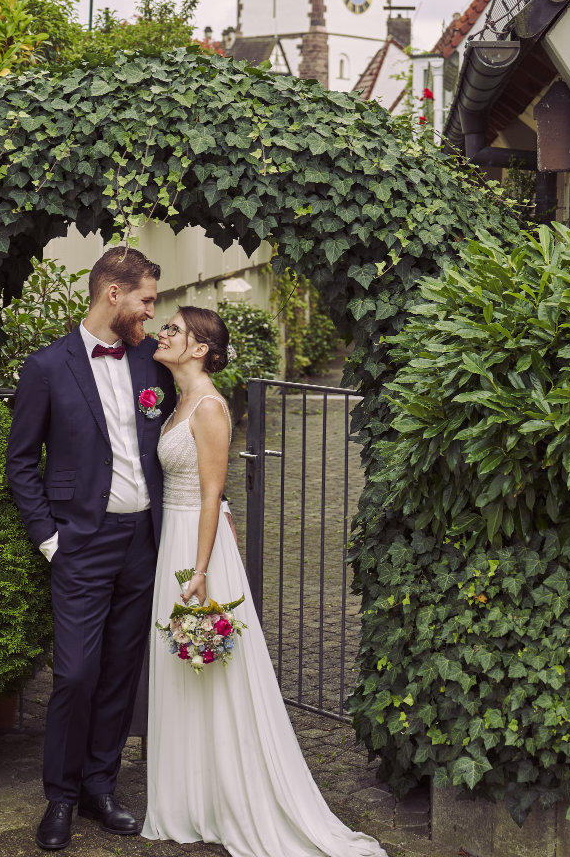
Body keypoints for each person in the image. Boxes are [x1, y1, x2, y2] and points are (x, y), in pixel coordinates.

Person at [141, 305, 386, 857]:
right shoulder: (177, 399)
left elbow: (212, 494)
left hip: (198, 548)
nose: (163, 333)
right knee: (181, 673)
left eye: (174, 329)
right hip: (175, 538)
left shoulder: (209, 406)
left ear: (200, 348)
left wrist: (199, 571)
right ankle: (189, 800)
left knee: (215, 675)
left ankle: (232, 796)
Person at [6, 246, 176, 852]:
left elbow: (178, 434)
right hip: (81, 543)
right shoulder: (47, 367)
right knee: (76, 673)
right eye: (146, 300)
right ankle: (60, 796)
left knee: (121, 671)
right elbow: (21, 462)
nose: (151, 313)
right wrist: (50, 540)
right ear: (113, 294)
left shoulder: (151, 363)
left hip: (142, 540)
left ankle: (100, 788)